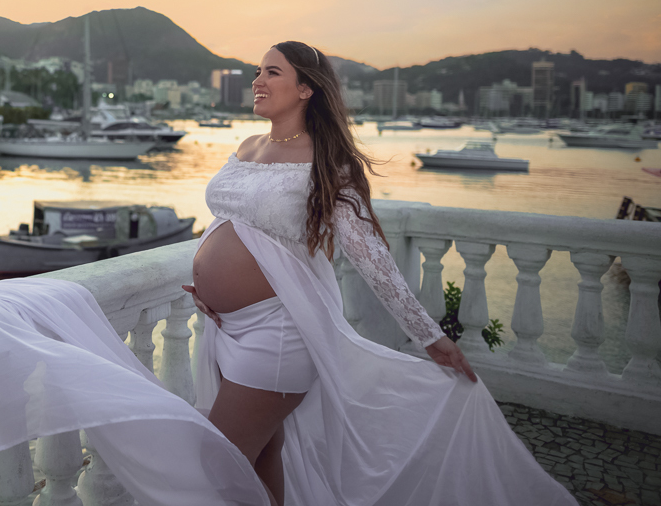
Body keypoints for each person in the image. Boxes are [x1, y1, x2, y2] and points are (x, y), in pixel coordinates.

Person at [182, 41, 575, 506]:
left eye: (272, 72)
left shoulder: (329, 162)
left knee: (216, 464)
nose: (257, 81)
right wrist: (207, 281)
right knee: (265, 452)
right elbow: (231, 222)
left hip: (280, 334)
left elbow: (370, 256)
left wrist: (429, 334)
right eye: (257, 72)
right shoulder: (248, 146)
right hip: (229, 328)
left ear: (306, 89)